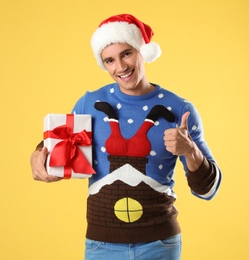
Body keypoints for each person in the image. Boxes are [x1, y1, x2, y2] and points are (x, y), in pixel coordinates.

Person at [30, 14, 222, 260]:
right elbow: (57, 144)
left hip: (160, 244)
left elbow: (208, 190)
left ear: (142, 50)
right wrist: (38, 155)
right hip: (102, 245)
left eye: (127, 54)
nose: (120, 67)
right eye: (110, 60)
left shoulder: (180, 109)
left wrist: (190, 151)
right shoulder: (91, 103)